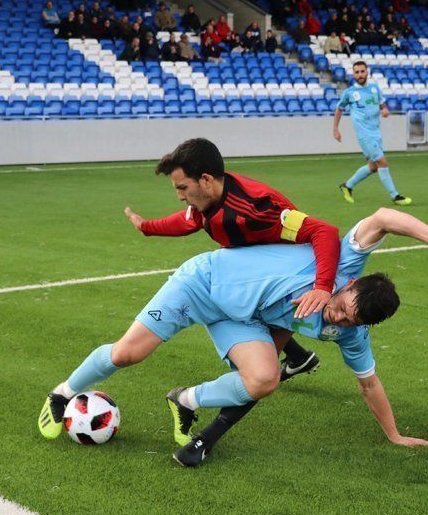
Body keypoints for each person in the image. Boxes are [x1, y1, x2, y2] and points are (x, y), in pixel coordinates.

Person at [38, 205, 428, 466]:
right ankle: (62, 393)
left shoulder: (350, 335)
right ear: (348, 285)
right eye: (341, 306)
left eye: (348, 321)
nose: (338, 318)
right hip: (202, 284)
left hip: (241, 318)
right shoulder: (341, 260)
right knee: (128, 353)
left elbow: (369, 383)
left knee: (264, 379)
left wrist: (394, 434)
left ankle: (184, 399)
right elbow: (382, 217)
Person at [122, 138, 338, 381]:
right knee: (246, 347)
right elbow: (188, 220)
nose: (179, 196)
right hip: (260, 266)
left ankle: (197, 405)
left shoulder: (257, 207)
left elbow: (323, 232)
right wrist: (147, 227)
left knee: (248, 367)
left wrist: (322, 287)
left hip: (288, 277)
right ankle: (297, 357)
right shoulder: (209, 197)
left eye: (182, 187)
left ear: (205, 179)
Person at [335, 61, 411, 206]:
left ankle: (347, 186)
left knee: (374, 167)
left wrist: (385, 109)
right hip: (364, 135)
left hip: (376, 132)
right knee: (382, 162)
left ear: (367, 72)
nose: (360, 74)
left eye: (362, 71)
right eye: (357, 72)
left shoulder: (375, 88)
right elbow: (339, 109)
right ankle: (395, 196)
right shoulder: (349, 93)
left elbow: (382, 104)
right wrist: (335, 129)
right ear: (353, 74)